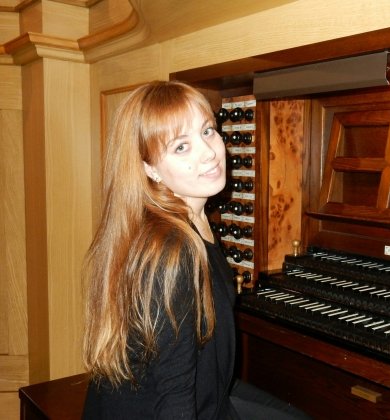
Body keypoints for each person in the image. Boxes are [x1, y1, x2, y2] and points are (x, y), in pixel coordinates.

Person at [82, 80, 309, 419]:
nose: (209, 152)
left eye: (207, 131)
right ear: (149, 168)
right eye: (181, 147)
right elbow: (174, 399)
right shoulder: (171, 252)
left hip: (207, 392)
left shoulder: (195, 219)